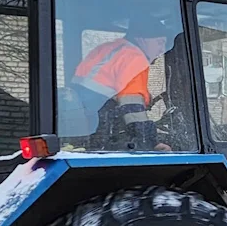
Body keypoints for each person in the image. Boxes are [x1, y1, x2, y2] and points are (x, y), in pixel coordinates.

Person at [71, 15, 173, 151]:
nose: (162, 50)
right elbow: (132, 108)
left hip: (79, 125)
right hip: (100, 128)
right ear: (141, 39)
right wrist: (150, 143)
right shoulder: (136, 58)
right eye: (160, 42)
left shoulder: (108, 49)